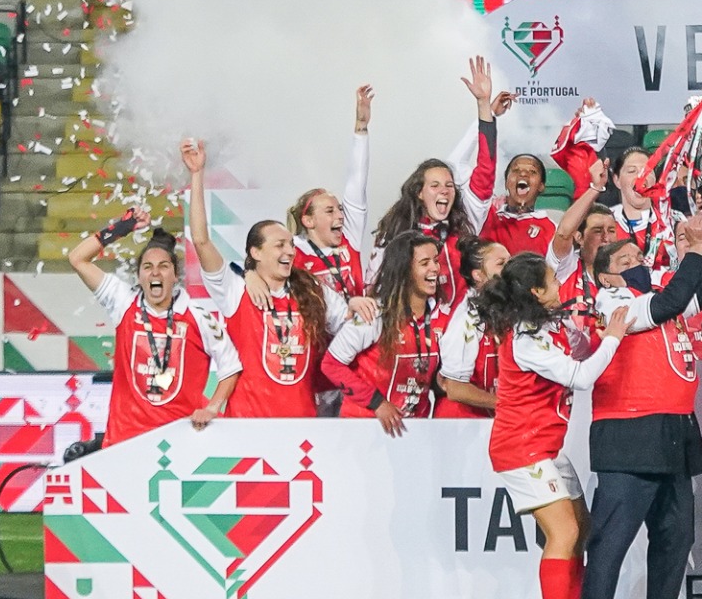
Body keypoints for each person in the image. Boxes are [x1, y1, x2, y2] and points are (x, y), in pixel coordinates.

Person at [572, 216, 702, 599]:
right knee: (611, 542)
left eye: (639, 256)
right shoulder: (613, 301)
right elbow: (670, 304)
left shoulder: (655, 294)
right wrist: (692, 256)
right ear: (605, 275)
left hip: (674, 429)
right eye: (626, 260)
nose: (637, 264)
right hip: (628, 429)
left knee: (674, 539)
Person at [466, 252, 634, 599]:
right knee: (564, 531)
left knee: (582, 529)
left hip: (545, 446)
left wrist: (590, 334)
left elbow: (576, 351)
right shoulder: (525, 341)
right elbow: (581, 377)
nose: (560, 288)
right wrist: (613, 336)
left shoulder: (540, 327)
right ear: (536, 293)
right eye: (552, 282)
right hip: (521, 447)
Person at [184, 139, 358, 420]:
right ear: (256, 252)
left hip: (302, 432)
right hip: (248, 430)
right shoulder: (235, 289)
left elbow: (351, 326)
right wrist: (196, 175)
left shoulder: (313, 291)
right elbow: (202, 241)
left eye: (290, 244)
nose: (290, 251)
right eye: (279, 245)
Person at [67, 208, 240, 446]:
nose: (155, 272)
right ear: (139, 276)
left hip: (180, 444)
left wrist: (212, 408)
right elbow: (77, 258)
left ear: (175, 275)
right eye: (147, 267)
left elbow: (231, 368)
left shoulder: (198, 317)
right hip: (124, 443)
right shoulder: (123, 302)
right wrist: (122, 227)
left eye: (163, 266)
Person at [323, 233, 500, 430]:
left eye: (435, 261)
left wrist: (438, 382)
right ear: (404, 271)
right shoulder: (374, 315)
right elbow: (331, 365)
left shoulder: (440, 317)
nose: (434, 268)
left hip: (413, 430)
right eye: (425, 263)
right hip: (365, 426)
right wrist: (377, 403)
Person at [367, 57, 495, 304]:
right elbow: (373, 285)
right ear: (419, 192)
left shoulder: (466, 222)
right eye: (435, 186)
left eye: (449, 185)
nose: (444, 191)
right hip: (411, 334)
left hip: (456, 337)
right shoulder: (395, 232)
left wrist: (483, 105)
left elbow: (486, 170)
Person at [287, 84, 374, 300]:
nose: (340, 215)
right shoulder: (292, 252)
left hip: (357, 332)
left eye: (340, 209)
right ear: (308, 221)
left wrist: (361, 127)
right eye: (329, 211)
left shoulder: (349, 238)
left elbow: (357, 181)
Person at [436, 242, 508, 419]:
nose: (510, 269)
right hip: (462, 423)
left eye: (510, 261)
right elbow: (455, 388)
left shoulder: (506, 310)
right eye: (501, 264)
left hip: (493, 419)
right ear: (478, 275)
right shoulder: (466, 318)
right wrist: (508, 406)